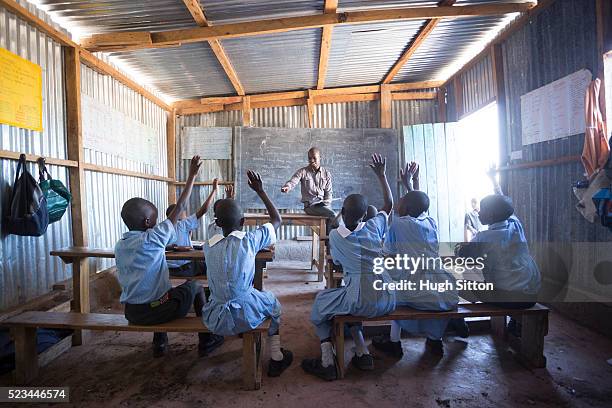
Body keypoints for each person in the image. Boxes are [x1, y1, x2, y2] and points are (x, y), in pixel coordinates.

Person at [115, 156, 224, 358]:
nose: (160, 223)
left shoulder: (120, 245)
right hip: (156, 311)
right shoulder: (154, 238)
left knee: (161, 290)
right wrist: (192, 175)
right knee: (194, 286)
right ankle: (207, 339)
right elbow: (181, 206)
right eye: (156, 219)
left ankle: (160, 342)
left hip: (131, 312)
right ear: (148, 221)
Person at [301, 154, 396, 381]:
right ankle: (362, 351)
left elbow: (339, 253)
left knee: (322, 304)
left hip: (361, 299)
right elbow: (389, 205)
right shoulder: (374, 227)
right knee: (351, 299)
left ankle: (326, 361)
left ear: (342, 212)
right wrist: (382, 176)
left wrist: (340, 216)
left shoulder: (336, 237)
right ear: (365, 215)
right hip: (388, 296)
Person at [202, 170, 293, 377]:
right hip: (245, 315)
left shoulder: (209, 242)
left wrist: (227, 201)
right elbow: (276, 219)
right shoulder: (249, 241)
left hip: (215, 317)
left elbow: (219, 223)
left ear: (216, 223)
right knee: (273, 305)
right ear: (243, 222)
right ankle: (277, 356)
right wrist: (260, 191)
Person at [373, 161, 460, 357]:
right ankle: (435, 341)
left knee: (391, 291)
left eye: (401, 201)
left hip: (414, 287)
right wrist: (412, 183)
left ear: (406, 208)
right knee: (432, 297)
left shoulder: (398, 225)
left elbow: (388, 251)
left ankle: (394, 343)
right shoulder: (430, 222)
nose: (398, 204)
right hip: (442, 287)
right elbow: (420, 206)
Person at [453, 168, 541, 336]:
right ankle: (516, 323)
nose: (478, 212)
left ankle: (457, 319)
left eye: (482, 209)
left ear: (491, 215)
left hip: (506, 298)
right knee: (513, 275)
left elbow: (463, 256)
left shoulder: (483, 237)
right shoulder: (515, 225)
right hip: (531, 295)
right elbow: (506, 206)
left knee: (454, 283)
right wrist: (494, 181)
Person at [165, 178, 220, 277]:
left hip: (168, 270)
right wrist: (214, 191)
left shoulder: (163, 227)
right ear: (178, 215)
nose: (186, 215)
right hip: (184, 269)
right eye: (184, 213)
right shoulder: (182, 224)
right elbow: (203, 210)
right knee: (213, 266)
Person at [281, 147, 336, 231]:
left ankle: (328, 240)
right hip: (310, 207)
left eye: (314, 158)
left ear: (320, 158)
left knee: (331, 217)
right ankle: (336, 238)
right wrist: (287, 187)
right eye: (310, 158)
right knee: (332, 214)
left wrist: (327, 202)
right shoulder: (303, 172)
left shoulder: (326, 174)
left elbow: (328, 192)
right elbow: (293, 181)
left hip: (323, 206)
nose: (312, 160)